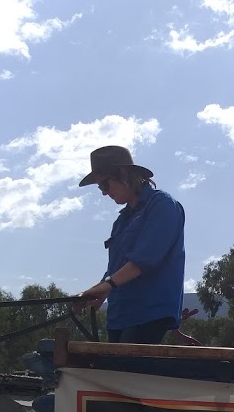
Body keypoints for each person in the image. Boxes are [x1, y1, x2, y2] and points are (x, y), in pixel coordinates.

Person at [76, 146, 186, 344]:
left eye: (104, 185)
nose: (103, 193)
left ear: (124, 174)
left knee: (124, 371)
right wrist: (93, 292)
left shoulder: (162, 204)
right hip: (119, 316)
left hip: (149, 313)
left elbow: (145, 259)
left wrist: (106, 286)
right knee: (115, 372)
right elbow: (116, 268)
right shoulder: (121, 221)